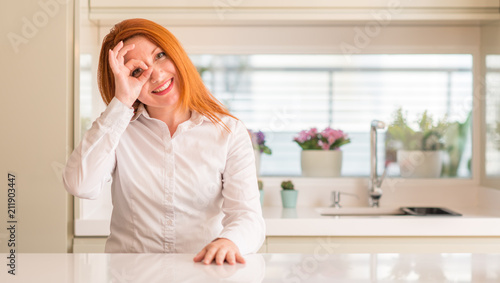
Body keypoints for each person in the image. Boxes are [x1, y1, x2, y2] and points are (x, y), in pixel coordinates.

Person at [63, 18, 265, 265]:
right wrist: (121, 102)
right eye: (136, 71)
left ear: (176, 54)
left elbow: (248, 217)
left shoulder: (228, 131)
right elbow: (80, 185)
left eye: (160, 55)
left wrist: (229, 242)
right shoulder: (117, 130)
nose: (156, 75)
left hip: (201, 274)